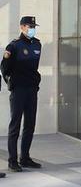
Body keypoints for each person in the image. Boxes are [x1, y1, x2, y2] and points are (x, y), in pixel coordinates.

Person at [2, 16, 43, 173]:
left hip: (32, 90)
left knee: (30, 125)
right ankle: (13, 161)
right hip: (18, 90)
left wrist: (35, 81)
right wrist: (11, 84)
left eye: (33, 26)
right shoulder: (14, 46)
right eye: (28, 26)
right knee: (15, 126)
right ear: (21, 27)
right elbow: (4, 68)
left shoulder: (37, 44)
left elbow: (34, 68)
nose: (31, 29)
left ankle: (24, 158)